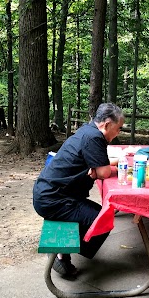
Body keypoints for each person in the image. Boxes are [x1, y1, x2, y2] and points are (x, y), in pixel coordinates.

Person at [33, 102, 124, 278]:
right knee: (102, 219)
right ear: (107, 124)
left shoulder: (87, 130)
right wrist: (97, 170)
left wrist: (96, 169)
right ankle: (60, 250)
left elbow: (100, 168)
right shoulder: (94, 137)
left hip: (51, 193)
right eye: (118, 128)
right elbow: (104, 172)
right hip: (54, 200)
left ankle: (62, 254)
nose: (119, 132)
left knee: (98, 214)